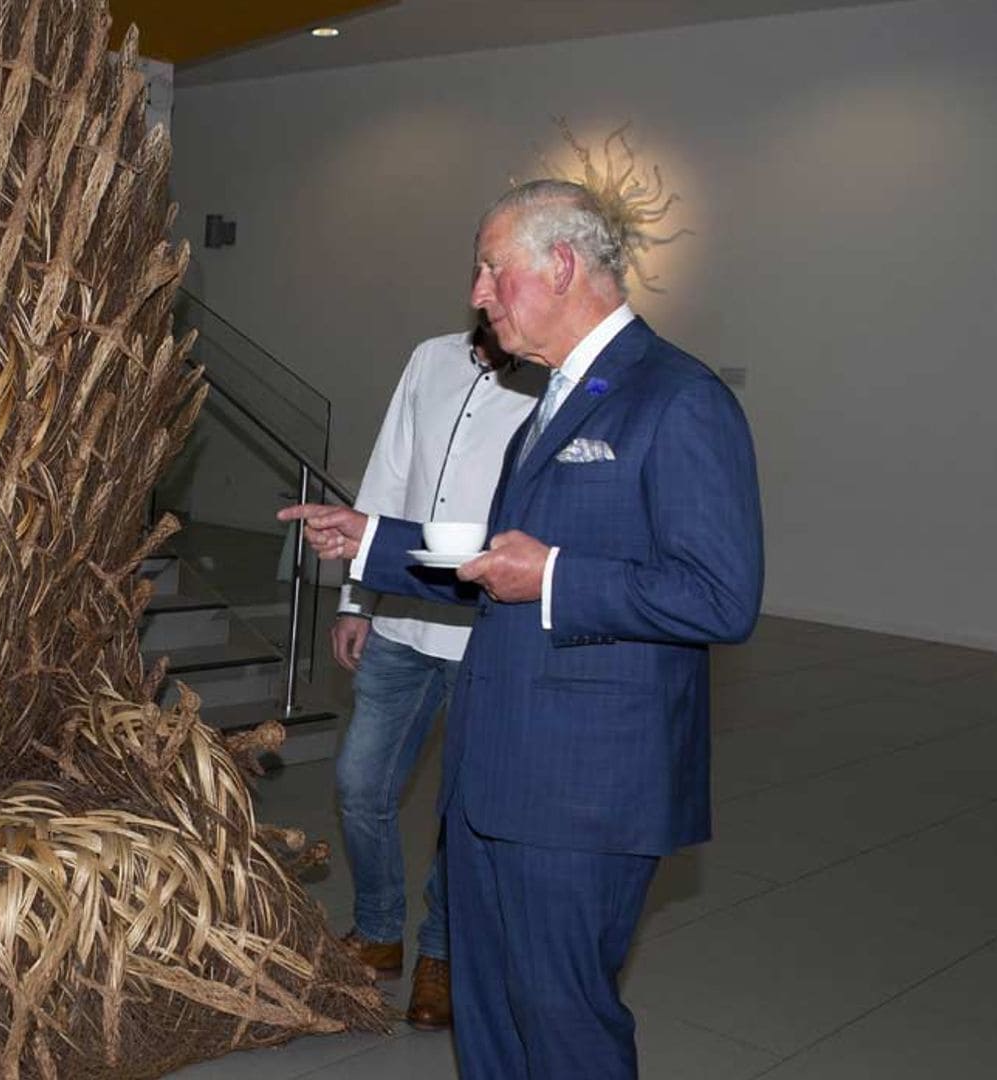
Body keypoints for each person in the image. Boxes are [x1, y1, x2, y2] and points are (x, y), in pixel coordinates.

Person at [282, 178, 762, 1078]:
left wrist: (556, 575)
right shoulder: (549, 402)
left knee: (561, 1022)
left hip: (584, 789)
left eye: (490, 270)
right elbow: (498, 571)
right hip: (494, 776)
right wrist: (374, 544)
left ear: (563, 265)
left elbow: (720, 595)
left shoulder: (677, 398)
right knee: (491, 1017)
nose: (476, 293)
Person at [331, 321, 541, 1029]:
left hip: (488, 634)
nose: (488, 287)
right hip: (400, 623)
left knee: (464, 810)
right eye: (482, 268)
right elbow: (387, 475)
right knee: (362, 785)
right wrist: (356, 597)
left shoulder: (550, 379)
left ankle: (443, 955)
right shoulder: (430, 358)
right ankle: (378, 929)